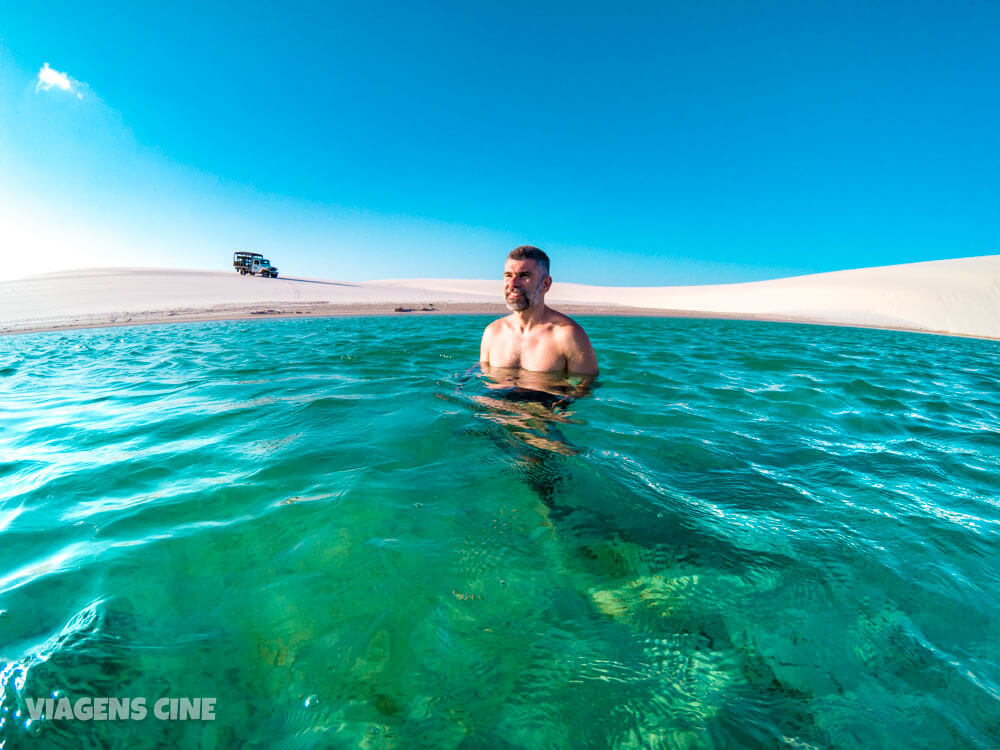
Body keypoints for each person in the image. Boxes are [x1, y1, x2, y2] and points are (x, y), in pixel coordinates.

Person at [480, 246, 599, 375]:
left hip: (545, 394)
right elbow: (482, 371)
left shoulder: (567, 335)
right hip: (495, 394)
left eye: (524, 276)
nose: (513, 283)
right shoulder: (492, 332)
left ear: (546, 284)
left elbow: (584, 386)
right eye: (508, 275)